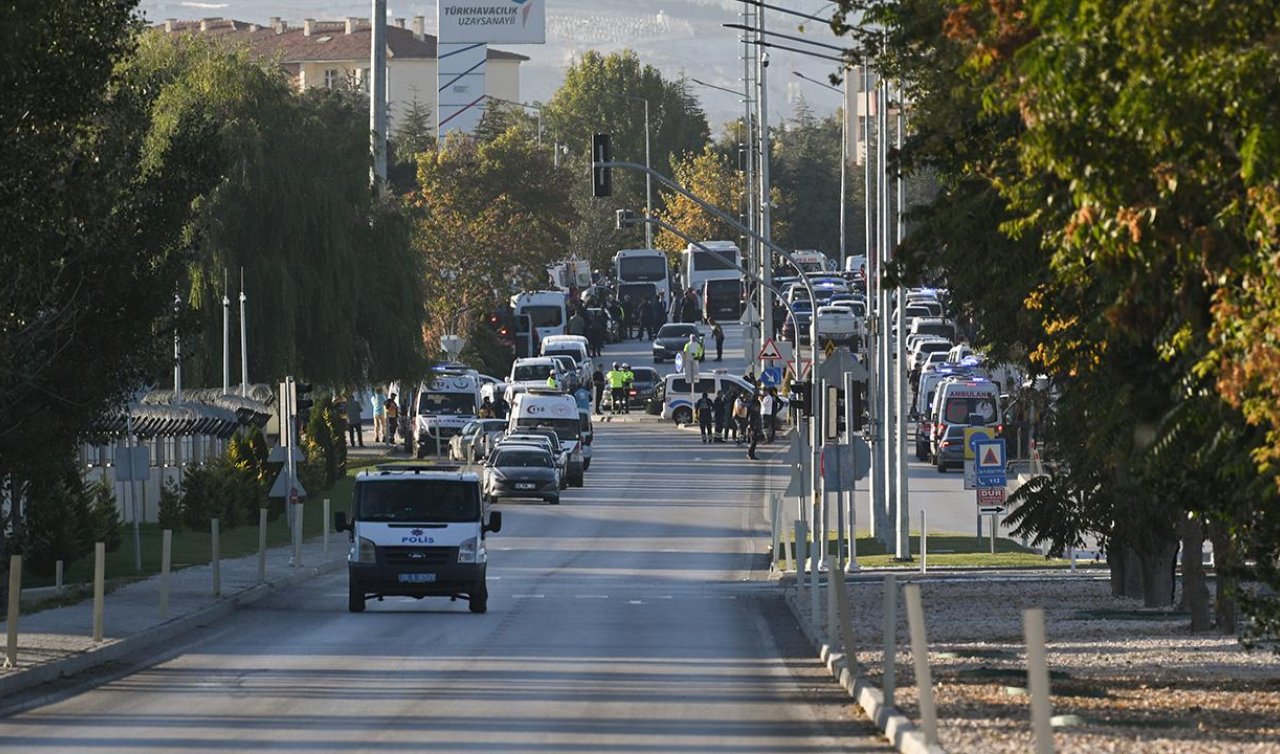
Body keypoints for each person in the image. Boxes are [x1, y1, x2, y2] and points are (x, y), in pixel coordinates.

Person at [747, 393, 764, 460]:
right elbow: (751, 419)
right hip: (753, 426)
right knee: (754, 441)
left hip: (754, 425)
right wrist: (752, 426)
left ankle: (751, 454)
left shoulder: (751, 405)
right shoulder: (753, 412)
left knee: (754, 441)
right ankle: (750, 454)